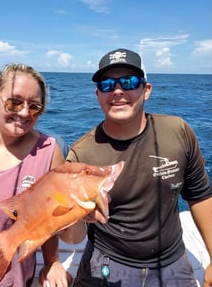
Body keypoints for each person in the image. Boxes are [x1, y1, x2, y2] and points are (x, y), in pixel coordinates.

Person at [64, 48, 212, 287]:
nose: (118, 91)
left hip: (172, 261)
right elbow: (72, 238)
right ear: (97, 94)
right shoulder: (81, 154)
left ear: (147, 90)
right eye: (107, 84)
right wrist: (79, 217)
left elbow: (200, 195)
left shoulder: (178, 132)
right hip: (106, 261)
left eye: (129, 82)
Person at [0, 63, 71, 287]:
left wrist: (52, 262)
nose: (25, 113)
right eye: (14, 102)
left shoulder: (49, 151)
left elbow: (49, 218)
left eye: (34, 106)